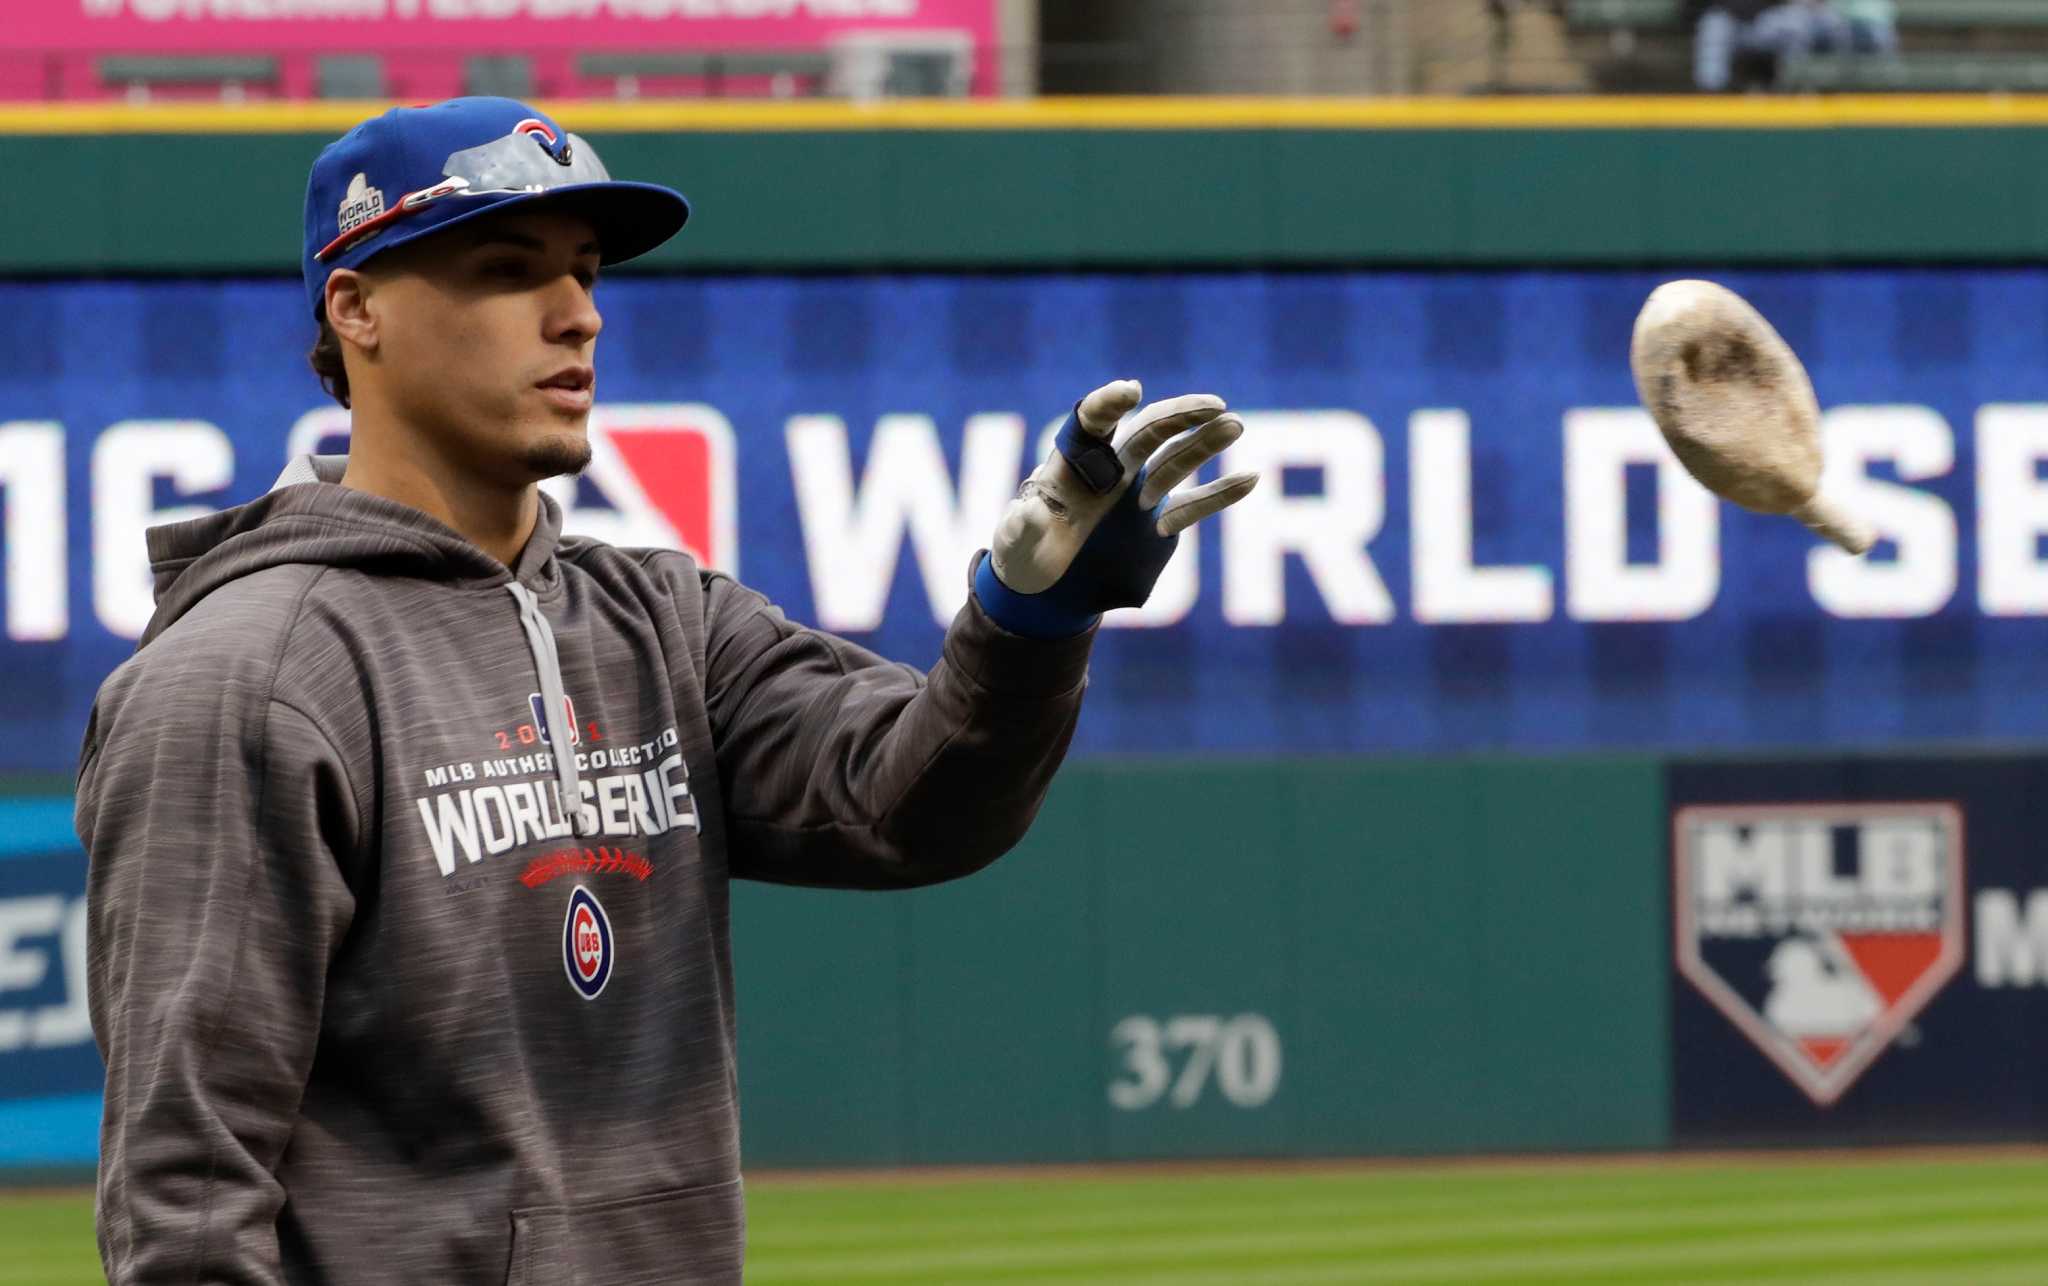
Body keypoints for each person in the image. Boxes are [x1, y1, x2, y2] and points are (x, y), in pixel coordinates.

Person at [75, 96, 1259, 1284]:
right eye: (505, 268)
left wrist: (1029, 619)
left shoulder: (664, 622)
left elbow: (911, 803)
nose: (576, 314)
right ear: (356, 307)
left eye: (586, 273)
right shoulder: (243, 679)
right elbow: (187, 1196)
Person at [1688, 0, 1856, 92]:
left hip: (1775, 18)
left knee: (1797, 25)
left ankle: (1794, 93)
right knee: (1713, 25)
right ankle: (1712, 96)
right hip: (1733, 22)